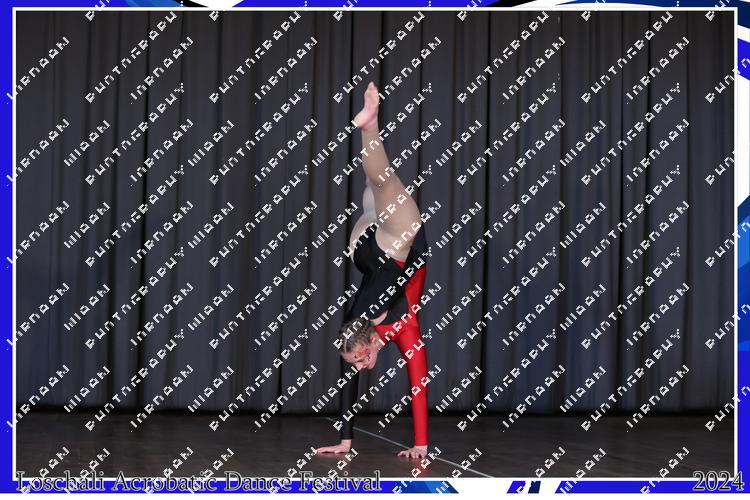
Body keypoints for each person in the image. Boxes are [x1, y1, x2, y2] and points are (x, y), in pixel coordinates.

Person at [314, 82, 430, 459]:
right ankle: (369, 130)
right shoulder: (368, 333)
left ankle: (370, 125)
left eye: (360, 359)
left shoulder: (364, 325)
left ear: (365, 345)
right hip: (373, 243)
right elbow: (418, 385)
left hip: (387, 246)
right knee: (378, 184)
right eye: (359, 363)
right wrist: (419, 445)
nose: (363, 367)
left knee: (381, 182)